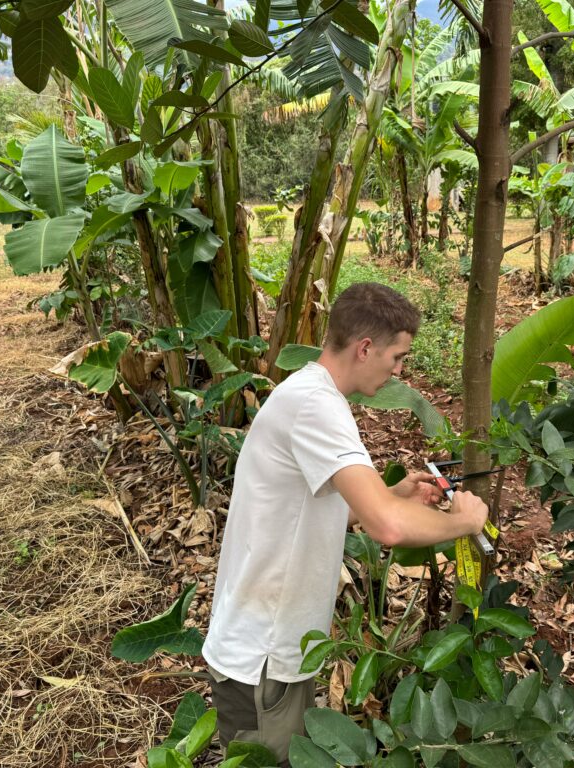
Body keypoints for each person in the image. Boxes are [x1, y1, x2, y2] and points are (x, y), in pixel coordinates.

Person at [202, 282, 489, 763]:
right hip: (263, 659)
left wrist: (391, 493)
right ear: (365, 348)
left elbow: (312, 507)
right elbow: (389, 530)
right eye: (397, 356)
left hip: (269, 648)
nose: (399, 370)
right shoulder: (317, 407)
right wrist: (464, 522)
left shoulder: (307, 393)